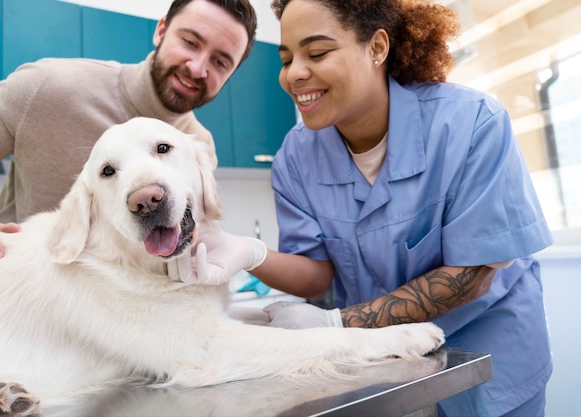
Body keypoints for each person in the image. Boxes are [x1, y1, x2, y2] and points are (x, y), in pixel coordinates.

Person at [187, 0, 554, 415]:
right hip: (381, 367)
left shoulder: (472, 123)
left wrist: (335, 324)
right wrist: (249, 254)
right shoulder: (295, 156)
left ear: (377, 48)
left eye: (317, 53)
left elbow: (472, 277)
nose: (294, 74)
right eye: (286, 59)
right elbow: (316, 275)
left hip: (484, 357)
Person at [0, 0, 257, 266]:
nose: (197, 67)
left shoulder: (200, 145)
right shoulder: (47, 86)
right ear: (161, 30)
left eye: (220, 61)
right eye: (190, 42)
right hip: (12, 287)